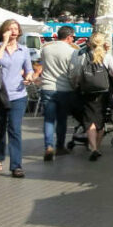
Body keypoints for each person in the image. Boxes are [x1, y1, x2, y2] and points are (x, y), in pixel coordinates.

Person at [0, 19, 35, 176]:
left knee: (15, 129)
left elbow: (29, 69)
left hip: (18, 94)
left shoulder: (24, 50)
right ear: (4, 31)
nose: (14, 31)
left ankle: (16, 166)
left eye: (16, 28)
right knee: (0, 128)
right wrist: (4, 42)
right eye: (10, 28)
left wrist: (29, 76)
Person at [69, 31, 113, 162]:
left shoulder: (83, 56)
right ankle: (97, 147)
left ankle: (93, 148)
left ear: (90, 43)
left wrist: (76, 85)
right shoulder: (107, 56)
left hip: (87, 92)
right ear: (103, 43)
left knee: (89, 121)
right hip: (104, 92)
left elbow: (76, 74)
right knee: (101, 121)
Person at [39, 24, 78, 159]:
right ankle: (60, 147)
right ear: (68, 37)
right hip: (64, 89)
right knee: (62, 120)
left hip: (47, 87)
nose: (74, 39)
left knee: (48, 120)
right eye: (73, 37)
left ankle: (48, 146)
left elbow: (42, 65)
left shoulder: (46, 49)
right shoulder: (72, 51)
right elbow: (73, 72)